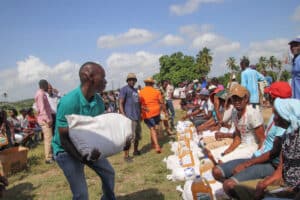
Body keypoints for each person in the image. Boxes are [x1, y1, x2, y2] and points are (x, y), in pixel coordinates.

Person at [212, 81, 292, 198]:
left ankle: (239, 189)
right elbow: (245, 138)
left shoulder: (284, 118)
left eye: (268, 96)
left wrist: (247, 164)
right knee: (217, 171)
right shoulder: (276, 114)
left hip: (269, 163)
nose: (266, 98)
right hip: (259, 157)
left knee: (229, 184)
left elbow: (274, 152)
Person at [52, 62, 115, 200]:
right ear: (89, 77)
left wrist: (120, 142)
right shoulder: (69, 102)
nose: (105, 81)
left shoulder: (98, 101)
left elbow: (98, 129)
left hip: (88, 147)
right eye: (102, 77)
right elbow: (64, 140)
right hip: (66, 151)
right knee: (81, 194)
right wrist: (83, 158)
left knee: (109, 173)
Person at [234, 98, 300, 200]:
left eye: (277, 115)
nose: (274, 119)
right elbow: (280, 170)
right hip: (285, 184)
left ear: (288, 116)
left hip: (295, 190)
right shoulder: (286, 136)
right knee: (238, 188)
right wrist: (264, 184)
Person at [208, 84, 265, 164]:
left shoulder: (252, 113)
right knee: (211, 154)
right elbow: (238, 136)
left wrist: (256, 158)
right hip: (241, 144)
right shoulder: (235, 112)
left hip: (252, 146)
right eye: (234, 99)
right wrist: (229, 150)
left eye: (239, 99)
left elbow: (262, 139)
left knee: (222, 161)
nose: (237, 102)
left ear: (245, 99)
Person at [139, 77, 167, 153]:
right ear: (152, 84)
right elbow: (161, 103)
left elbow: (139, 104)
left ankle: (155, 145)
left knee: (152, 129)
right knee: (154, 128)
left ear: (145, 84)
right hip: (156, 112)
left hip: (147, 113)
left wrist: (142, 110)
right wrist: (165, 111)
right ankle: (155, 145)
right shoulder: (156, 91)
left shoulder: (141, 92)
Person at [119, 73, 142, 161]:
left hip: (137, 116)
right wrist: (124, 115)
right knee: (129, 137)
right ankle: (126, 156)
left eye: (133, 80)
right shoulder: (124, 89)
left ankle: (136, 151)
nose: (132, 81)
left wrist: (140, 114)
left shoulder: (135, 90)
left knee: (137, 136)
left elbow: (137, 103)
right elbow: (120, 103)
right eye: (130, 80)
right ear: (127, 81)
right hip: (129, 117)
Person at [34, 79, 53, 164]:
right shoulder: (41, 94)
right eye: (47, 85)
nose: (48, 87)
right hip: (45, 120)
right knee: (48, 139)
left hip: (45, 119)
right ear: (44, 85)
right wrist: (48, 120)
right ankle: (48, 158)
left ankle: (50, 155)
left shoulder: (41, 93)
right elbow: (42, 109)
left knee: (49, 138)